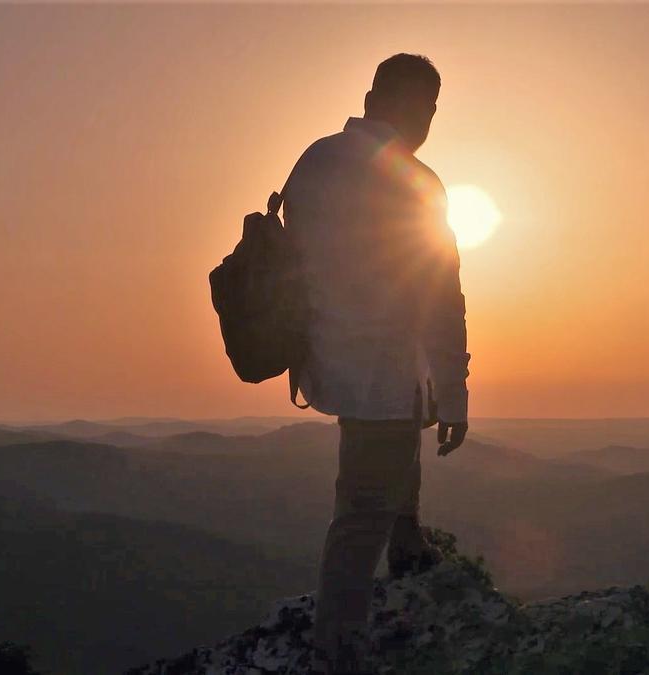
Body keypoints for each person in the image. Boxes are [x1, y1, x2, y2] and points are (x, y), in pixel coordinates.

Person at [282, 53, 470, 675]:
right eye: (427, 107)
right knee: (360, 516)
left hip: (330, 356)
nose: (429, 121)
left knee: (380, 462)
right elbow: (441, 296)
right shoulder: (417, 182)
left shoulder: (313, 161)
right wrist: (455, 389)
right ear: (403, 106)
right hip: (384, 366)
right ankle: (337, 652)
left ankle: (410, 539)